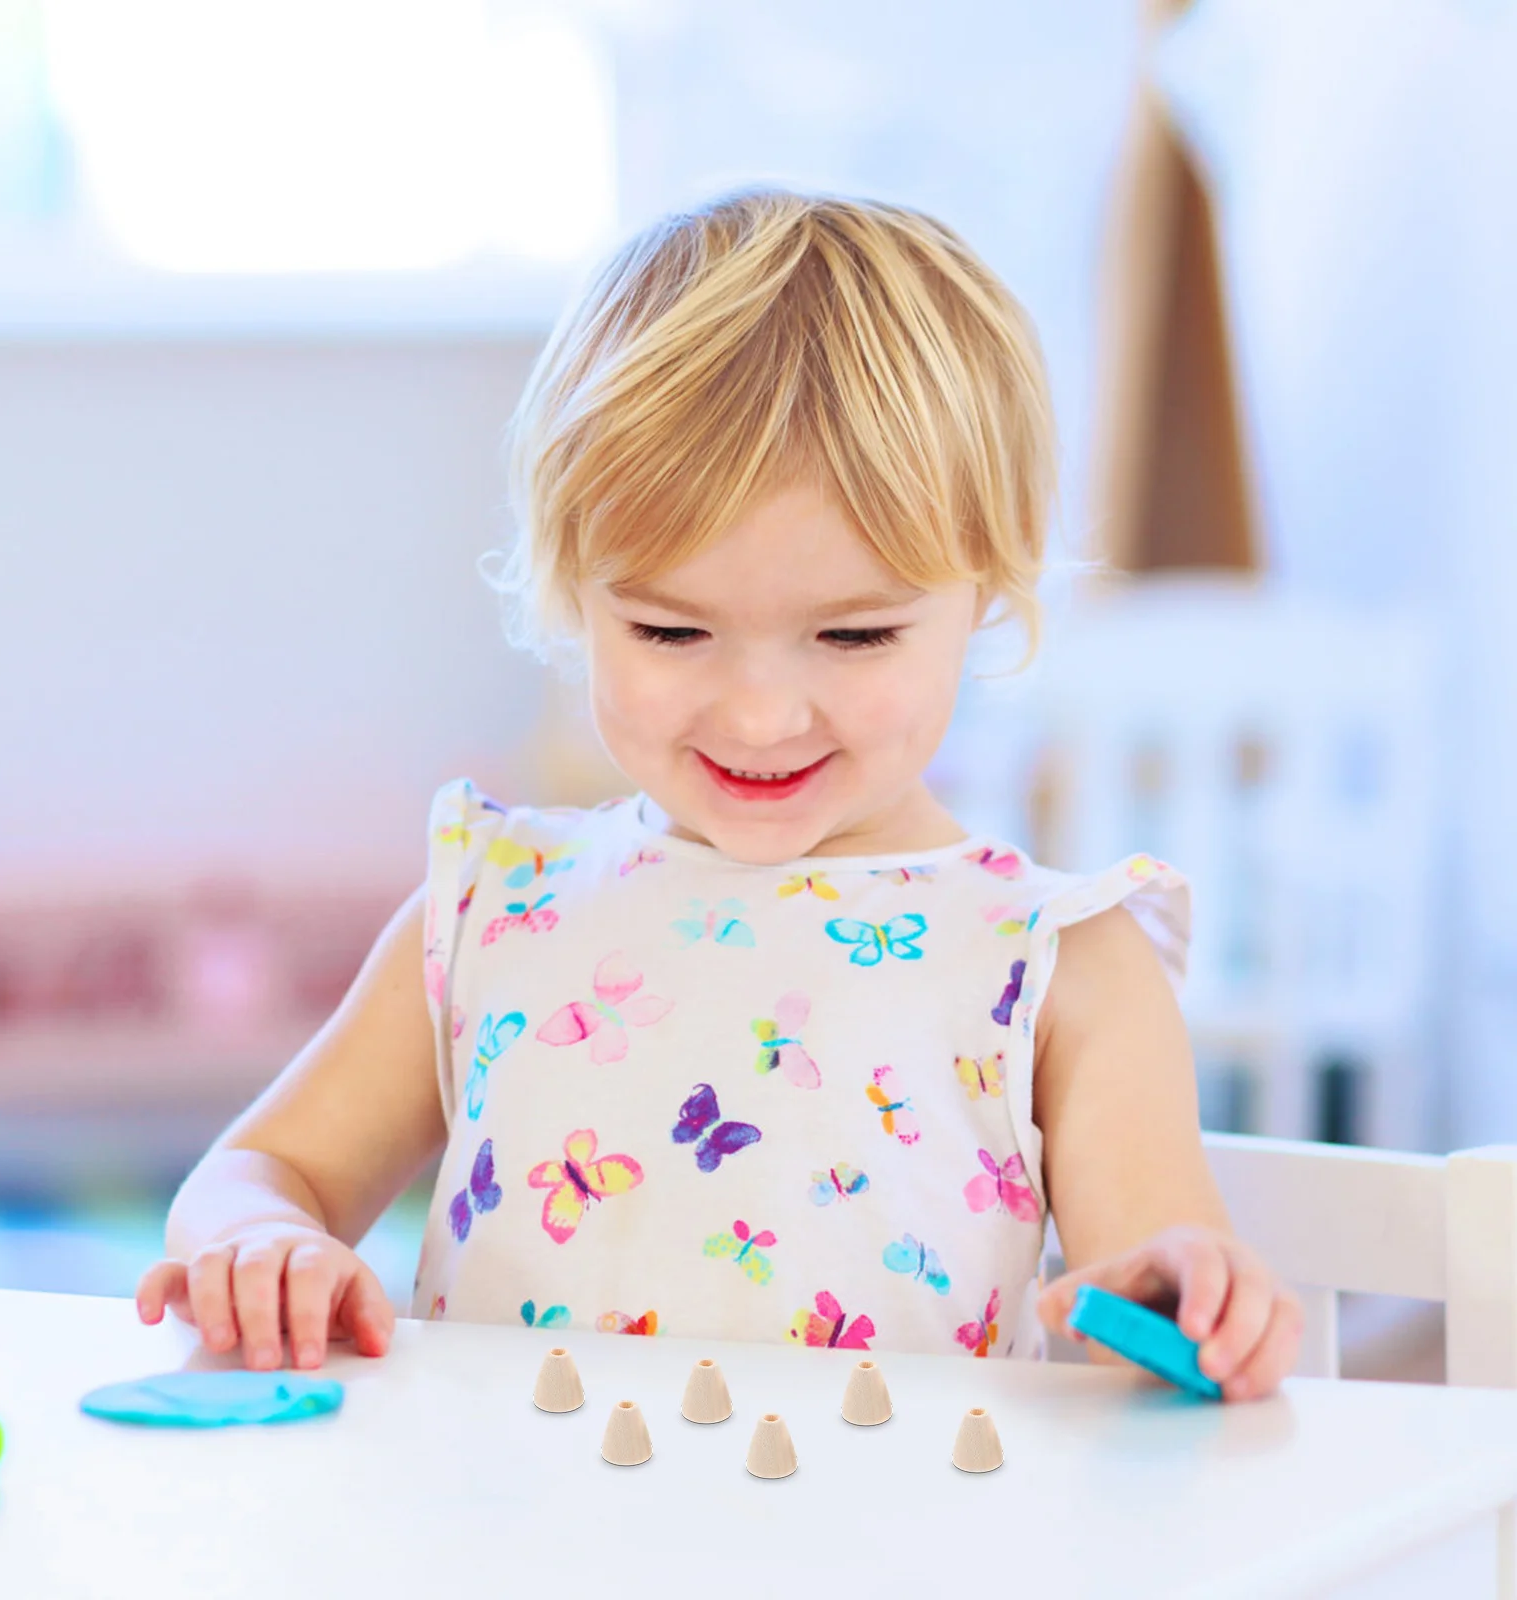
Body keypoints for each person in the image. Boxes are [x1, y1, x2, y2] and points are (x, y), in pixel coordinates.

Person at [137, 188, 1302, 1401]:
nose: (756, 715)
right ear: (570, 594)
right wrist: (256, 1241)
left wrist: (1190, 1295)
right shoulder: (489, 908)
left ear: (988, 592)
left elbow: (1153, 1279)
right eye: (670, 629)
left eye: (852, 636)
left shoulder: (1056, 961)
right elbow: (264, 1169)